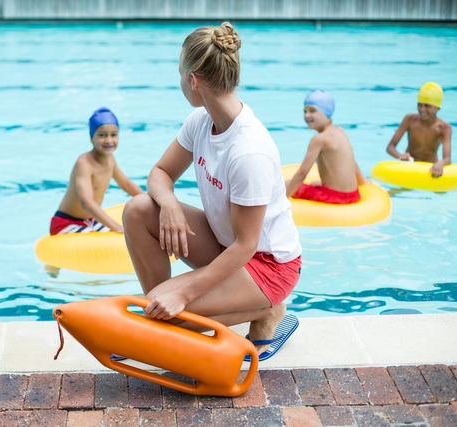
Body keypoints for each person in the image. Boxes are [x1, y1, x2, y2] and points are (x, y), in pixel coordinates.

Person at [122, 22, 302, 359]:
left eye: (179, 73)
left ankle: (266, 309)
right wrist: (170, 203)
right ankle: (165, 312)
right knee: (139, 209)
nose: (179, 82)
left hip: (265, 265)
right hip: (225, 247)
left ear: (193, 80)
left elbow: (247, 245)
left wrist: (185, 293)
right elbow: (160, 173)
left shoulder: (249, 151)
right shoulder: (201, 121)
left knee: (155, 320)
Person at [45, 107, 143, 277]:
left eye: (113, 134)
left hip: (88, 221)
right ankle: (52, 271)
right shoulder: (84, 163)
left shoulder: (110, 160)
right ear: (91, 137)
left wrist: (148, 199)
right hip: (65, 224)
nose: (109, 140)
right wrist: (115, 227)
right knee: (121, 236)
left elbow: (126, 184)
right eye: (102, 135)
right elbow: (86, 202)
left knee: (133, 233)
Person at [285, 89, 366, 204]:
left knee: (287, 184)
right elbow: (353, 162)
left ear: (326, 112)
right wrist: (363, 182)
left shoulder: (319, 139)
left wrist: (284, 199)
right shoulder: (340, 131)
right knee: (314, 183)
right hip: (353, 195)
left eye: (312, 111)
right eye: (305, 111)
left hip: (335, 198)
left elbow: (302, 174)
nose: (307, 115)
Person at [386, 82, 452, 177]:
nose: (422, 109)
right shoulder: (409, 119)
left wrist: (440, 163)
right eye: (419, 105)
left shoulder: (444, 128)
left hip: (430, 169)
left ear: (438, 107)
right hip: (410, 167)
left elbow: (447, 159)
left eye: (427, 106)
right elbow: (390, 147)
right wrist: (400, 156)